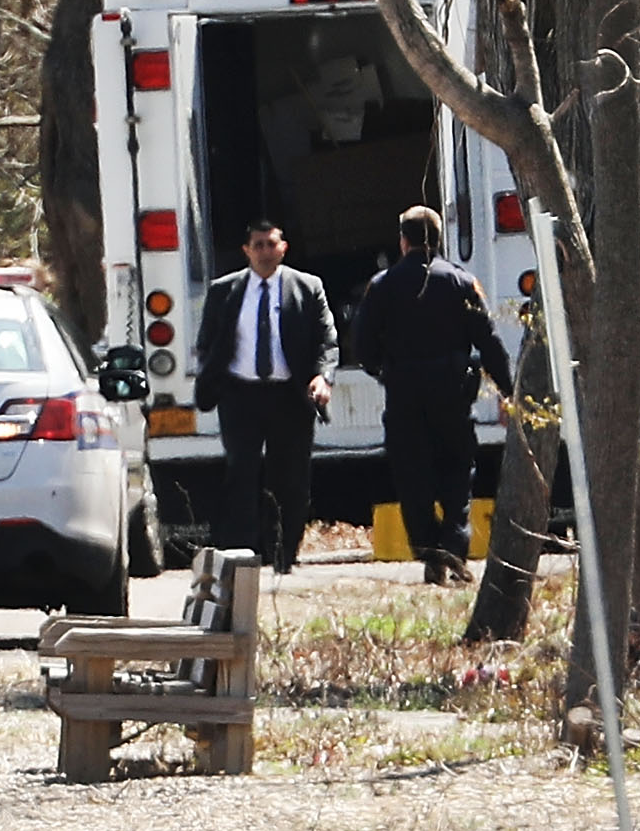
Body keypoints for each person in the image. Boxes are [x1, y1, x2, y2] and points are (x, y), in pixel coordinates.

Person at [352, 205, 510, 585]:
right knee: (457, 471)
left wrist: (383, 371)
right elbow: (487, 341)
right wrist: (508, 388)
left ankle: (429, 550)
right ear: (437, 241)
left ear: (403, 241)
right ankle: (453, 546)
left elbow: (362, 345)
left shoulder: (382, 285)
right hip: (452, 392)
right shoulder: (461, 282)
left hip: (404, 393)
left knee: (412, 474)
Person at [190, 219, 337, 573]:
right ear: (246, 251)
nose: (265, 252)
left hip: (290, 396)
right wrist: (215, 378)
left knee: (291, 478)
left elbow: (326, 340)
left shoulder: (307, 287)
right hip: (241, 395)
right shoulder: (224, 291)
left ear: (283, 247)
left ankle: (284, 554)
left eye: (271, 244)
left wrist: (321, 377)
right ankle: (245, 555)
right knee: (241, 473)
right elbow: (208, 341)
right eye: (258, 245)